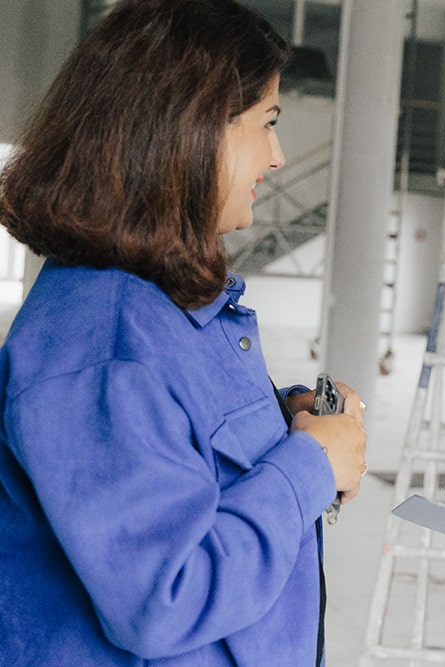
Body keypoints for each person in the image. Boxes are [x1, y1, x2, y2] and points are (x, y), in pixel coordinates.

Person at [0, 1, 367, 665]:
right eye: (268, 124)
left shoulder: (159, 299)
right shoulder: (104, 341)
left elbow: (182, 449)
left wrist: (284, 426)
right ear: (191, 131)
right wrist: (308, 467)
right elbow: (165, 596)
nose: (279, 156)